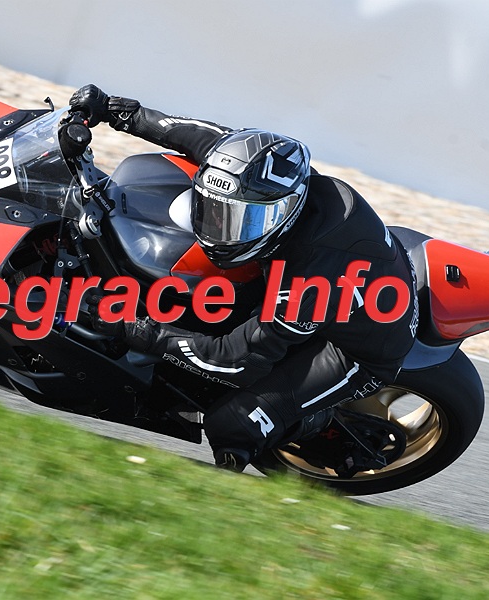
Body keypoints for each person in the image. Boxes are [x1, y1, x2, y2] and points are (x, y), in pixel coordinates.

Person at [70, 84, 419, 472]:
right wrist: (116, 110)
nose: (220, 231)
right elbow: (189, 133)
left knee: (231, 424)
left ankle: (323, 430)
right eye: (217, 212)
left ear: (284, 213)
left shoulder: (309, 282)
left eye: (244, 222)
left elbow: (237, 359)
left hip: (355, 350)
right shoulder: (268, 175)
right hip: (325, 276)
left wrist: (135, 330)